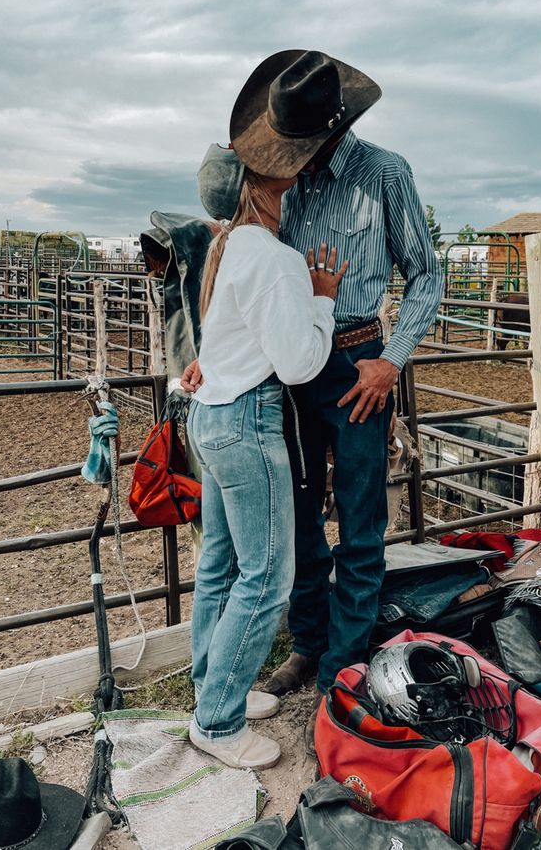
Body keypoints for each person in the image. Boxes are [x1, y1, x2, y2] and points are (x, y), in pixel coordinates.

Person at [186, 49, 444, 752]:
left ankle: (344, 662)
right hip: (289, 368)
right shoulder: (280, 187)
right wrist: (213, 355)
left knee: (361, 517)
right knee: (297, 517)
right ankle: (309, 642)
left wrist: (391, 363)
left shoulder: (385, 174)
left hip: (362, 361)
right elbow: (250, 285)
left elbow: (426, 274)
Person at [186, 141, 347, 770]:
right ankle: (218, 722)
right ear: (262, 184)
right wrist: (323, 297)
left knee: (220, 566)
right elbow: (299, 362)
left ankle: (212, 689)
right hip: (248, 420)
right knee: (268, 574)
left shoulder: (226, 249)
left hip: (212, 419)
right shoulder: (274, 259)